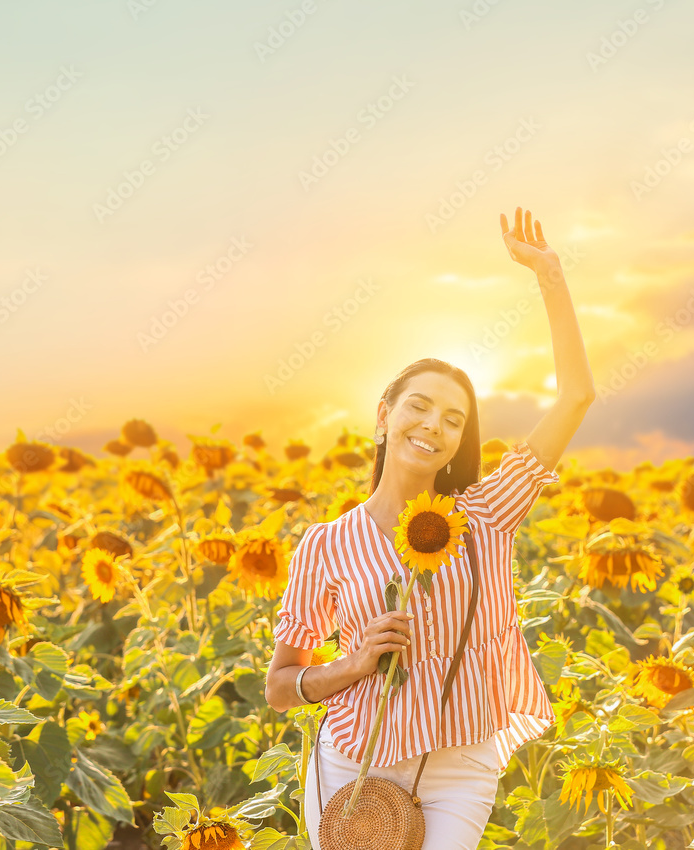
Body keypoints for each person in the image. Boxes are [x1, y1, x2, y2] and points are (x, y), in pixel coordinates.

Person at [264, 206, 596, 849]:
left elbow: (576, 397)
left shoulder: (484, 517)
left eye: (452, 419)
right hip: (353, 767)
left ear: (458, 442)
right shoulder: (326, 544)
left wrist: (550, 276)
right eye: (418, 406)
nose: (433, 425)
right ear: (384, 415)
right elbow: (281, 686)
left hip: (458, 767)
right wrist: (355, 664)